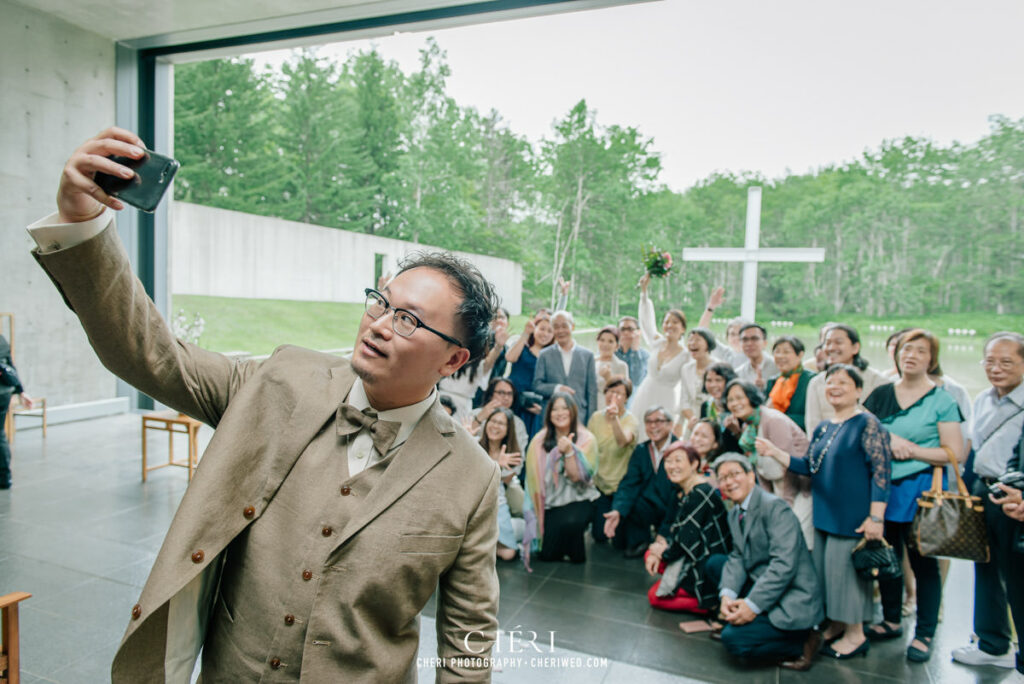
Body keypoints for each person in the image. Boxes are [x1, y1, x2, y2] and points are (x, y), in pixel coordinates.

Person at [30, 128, 501, 681]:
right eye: (380, 301)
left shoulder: (473, 479)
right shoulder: (279, 381)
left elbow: (468, 642)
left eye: (408, 320)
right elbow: (150, 355)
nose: (378, 324)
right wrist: (82, 223)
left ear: (452, 361)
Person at [756, 364, 892, 659]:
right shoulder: (824, 427)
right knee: (827, 576)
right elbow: (809, 467)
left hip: (853, 516)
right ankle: (837, 623)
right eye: (830, 383)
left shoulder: (867, 424)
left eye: (843, 383)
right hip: (825, 512)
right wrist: (774, 452)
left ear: (859, 390)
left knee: (848, 579)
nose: (835, 388)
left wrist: (876, 517)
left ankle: (856, 634)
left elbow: (881, 473)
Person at [863, 329, 964, 663]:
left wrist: (914, 451)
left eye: (921, 351)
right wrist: (885, 445)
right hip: (881, 488)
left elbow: (954, 453)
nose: (912, 356)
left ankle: (924, 632)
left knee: (923, 564)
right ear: (897, 354)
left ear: (931, 359)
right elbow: (862, 433)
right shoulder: (880, 393)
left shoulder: (942, 400)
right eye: (907, 349)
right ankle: (891, 619)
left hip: (920, 490)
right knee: (887, 557)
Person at [704, 453, 824, 672]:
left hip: (791, 594)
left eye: (735, 474)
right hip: (761, 579)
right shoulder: (735, 514)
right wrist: (727, 595)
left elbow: (783, 566)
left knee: (734, 642)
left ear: (751, 476)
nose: (729, 482)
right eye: (722, 478)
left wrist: (751, 606)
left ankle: (804, 640)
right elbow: (738, 556)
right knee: (715, 564)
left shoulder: (775, 508)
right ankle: (742, 613)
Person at [952, 332, 1024, 676]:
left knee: (1017, 574)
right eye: (990, 361)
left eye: (1006, 362)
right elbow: (974, 449)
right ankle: (992, 643)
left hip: (1015, 498)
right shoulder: (983, 399)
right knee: (986, 565)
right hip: (984, 489)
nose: (996, 369)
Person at [644, 443, 731, 616]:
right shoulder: (683, 491)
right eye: (668, 461)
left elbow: (684, 541)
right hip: (693, 552)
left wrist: (661, 552)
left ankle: (709, 604)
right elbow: (673, 528)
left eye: (678, 461)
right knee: (651, 555)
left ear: (694, 464)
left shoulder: (700, 494)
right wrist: (657, 550)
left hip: (705, 560)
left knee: (655, 597)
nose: (672, 466)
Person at [724, 379, 813, 547]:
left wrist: (784, 505)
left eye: (739, 398)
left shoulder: (773, 420)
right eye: (730, 400)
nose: (735, 404)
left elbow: (788, 464)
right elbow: (758, 467)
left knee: (794, 539)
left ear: (751, 397)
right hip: (777, 488)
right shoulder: (748, 428)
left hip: (799, 489)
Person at [631, 277, 717, 437]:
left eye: (675, 322)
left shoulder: (686, 355)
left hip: (666, 399)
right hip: (645, 394)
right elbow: (646, 322)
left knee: (660, 436)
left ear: (683, 328)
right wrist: (644, 294)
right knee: (639, 434)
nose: (670, 325)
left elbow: (701, 335)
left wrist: (710, 308)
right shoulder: (656, 343)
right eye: (667, 322)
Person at [522, 392, 599, 566]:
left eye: (565, 408)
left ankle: (574, 544)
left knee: (571, 524)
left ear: (573, 412)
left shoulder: (587, 439)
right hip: (549, 501)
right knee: (546, 555)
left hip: (579, 498)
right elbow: (531, 481)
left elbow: (579, 478)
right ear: (548, 414)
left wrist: (570, 452)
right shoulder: (539, 441)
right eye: (555, 409)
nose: (560, 412)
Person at [603, 406, 678, 558]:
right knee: (619, 541)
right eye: (648, 422)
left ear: (670, 424)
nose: (653, 426)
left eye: (658, 421)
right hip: (649, 503)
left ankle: (664, 538)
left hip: (673, 504)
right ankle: (641, 541)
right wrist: (617, 510)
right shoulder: (642, 450)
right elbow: (629, 483)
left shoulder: (679, 450)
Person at [805, 324, 890, 435]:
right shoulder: (816, 383)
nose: (831, 348)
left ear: (855, 348)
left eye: (838, 342)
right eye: (827, 343)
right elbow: (813, 425)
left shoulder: (878, 381)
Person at [587, 379, 639, 544]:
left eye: (619, 393)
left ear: (626, 398)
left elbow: (623, 441)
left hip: (621, 485)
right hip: (600, 484)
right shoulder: (596, 417)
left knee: (619, 542)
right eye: (610, 391)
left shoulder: (631, 420)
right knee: (599, 536)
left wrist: (615, 418)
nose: (614, 396)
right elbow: (589, 446)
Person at [532, 310, 598, 423]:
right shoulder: (544, 354)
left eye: (564, 326)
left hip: (579, 416)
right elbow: (537, 385)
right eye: (556, 327)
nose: (560, 330)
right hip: (551, 417)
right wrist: (557, 388)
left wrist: (591, 421)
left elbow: (592, 392)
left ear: (572, 327)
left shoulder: (587, 355)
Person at [478, 407, 524, 560]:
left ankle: (516, 529)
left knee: (508, 554)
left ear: (508, 430)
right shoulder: (474, 445)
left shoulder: (513, 455)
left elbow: (499, 482)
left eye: (501, 424)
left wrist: (499, 465)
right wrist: (497, 463)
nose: (495, 426)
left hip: (497, 503)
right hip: (474, 503)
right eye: (493, 421)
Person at [506, 313, 554, 437]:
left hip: (532, 405)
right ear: (535, 329)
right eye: (542, 329)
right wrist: (525, 333)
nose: (545, 334)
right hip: (513, 398)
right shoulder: (523, 345)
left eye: (550, 331)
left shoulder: (550, 356)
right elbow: (510, 357)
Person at [0, 334, 33, 490]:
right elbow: (10, 365)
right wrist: (21, 391)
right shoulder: (1, 339)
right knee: (0, 434)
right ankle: (5, 478)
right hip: (5, 392)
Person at [764, 336, 815, 432]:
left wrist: (779, 419)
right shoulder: (773, 381)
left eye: (786, 352)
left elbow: (812, 416)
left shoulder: (811, 380)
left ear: (800, 355)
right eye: (777, 352)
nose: (780, 356)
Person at [471, 377, 529, 450]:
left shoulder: (518, 423)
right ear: (491, 395)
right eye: (501, 393)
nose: (506, 398)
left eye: (510, 394)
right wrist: (479, 419)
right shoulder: (475, 413)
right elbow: (463, 438)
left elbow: (519, 453)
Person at [678, 328, 717, 434]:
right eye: (690, 340)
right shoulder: (686, 369)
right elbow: (684, 401)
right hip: (693, 421)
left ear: (708, 343)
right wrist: (694, 420)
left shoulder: (719, 367)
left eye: (697, 340)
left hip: (715, 419)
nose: (692, 343)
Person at [699, 363, 740, 454]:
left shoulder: (737, 406)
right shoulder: (705, 406)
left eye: (718, 380)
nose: (713, 385)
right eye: (709, 380)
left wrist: (736, 432)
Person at [594, 326, 629, 411]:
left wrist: (609, 378)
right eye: (602, 340)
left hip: (609, 409)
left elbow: (623, 395)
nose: (605, 344)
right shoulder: (591, 362)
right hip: (591, 408)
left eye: (610, 341)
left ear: (616, 346)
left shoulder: (621, 366)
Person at [735, 324, 778, 392]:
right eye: (745, 340)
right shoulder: (739, 373)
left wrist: (767, 386)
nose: (749, 343)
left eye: (754, 339)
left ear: (765, 343)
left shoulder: (778, 367)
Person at [615, 315, 650, 396]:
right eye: (622, 329)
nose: (626, 333)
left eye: (630, 329)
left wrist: (635, 351)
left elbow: (636, 381)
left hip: (635, 399)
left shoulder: (645, 356)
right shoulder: (611, 352)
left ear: (638, 332)